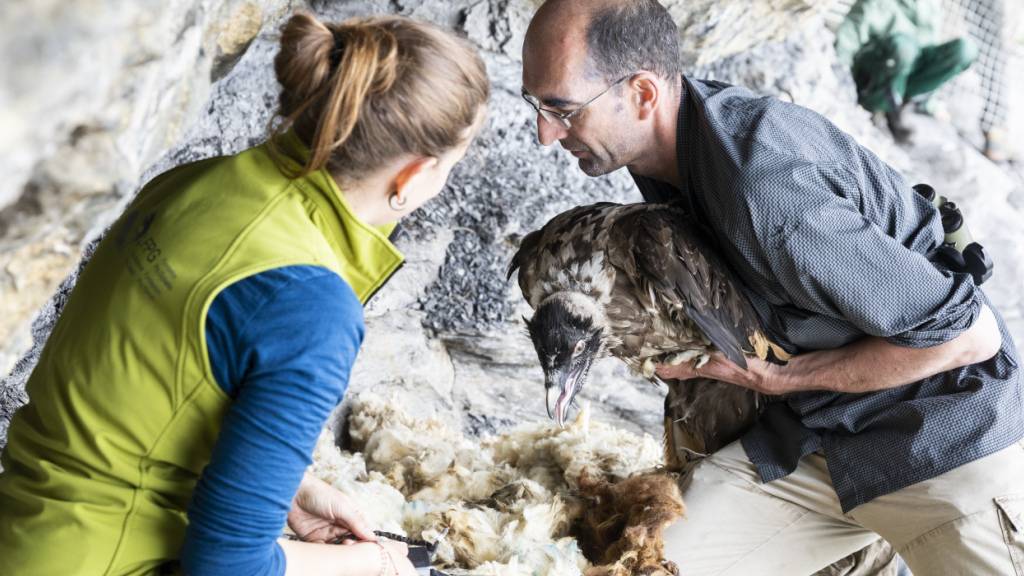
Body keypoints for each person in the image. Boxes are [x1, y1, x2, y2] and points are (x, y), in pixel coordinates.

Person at [521, 0, 1022, 574]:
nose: (544, 133)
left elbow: (965, 338)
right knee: (649, 562)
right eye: (536, 105)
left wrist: (779, 378)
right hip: (818, 446)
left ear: (641, 94)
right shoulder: (670, 148)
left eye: (562, 110)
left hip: (944, 446)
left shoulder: (767, 193)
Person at [0, 11, 488, 576]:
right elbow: (227, 569)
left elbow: (145, 394)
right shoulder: (312, 305)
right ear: (412, 176)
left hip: (22, 529)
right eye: (451, 166)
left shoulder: (196, 182)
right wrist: (375, 563)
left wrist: (285, 488)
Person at [834, 0, 978, 142]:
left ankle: (906, 105)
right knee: (904, 47)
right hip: (877, 71)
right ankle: (881, 108)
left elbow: (927, 52)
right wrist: (840, 73)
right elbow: (850, 33)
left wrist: (932, 105)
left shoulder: (930, 5)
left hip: (906, 73)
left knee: (965, 50)